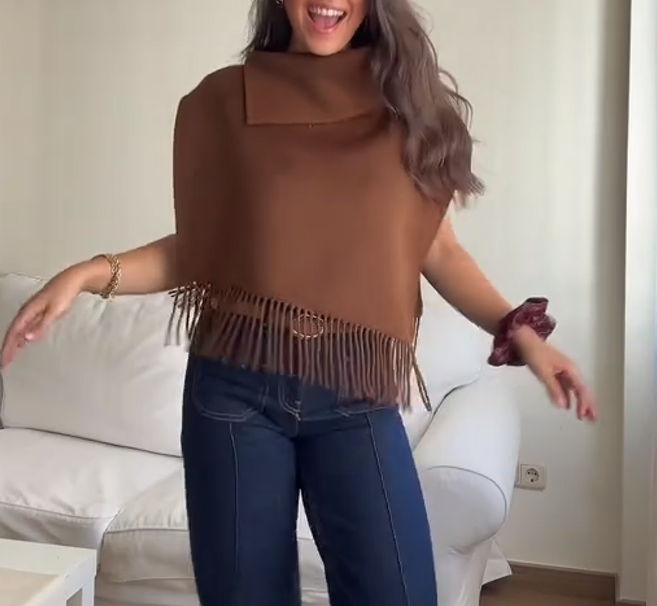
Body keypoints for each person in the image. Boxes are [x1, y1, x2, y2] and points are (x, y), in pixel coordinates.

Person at [0, 0, 598, 605]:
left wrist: (522, 334)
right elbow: (206, 251)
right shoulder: (222, 102)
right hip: (234, 392)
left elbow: (437, 250)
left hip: (355, 391)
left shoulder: (408, 108)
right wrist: (86, 274)